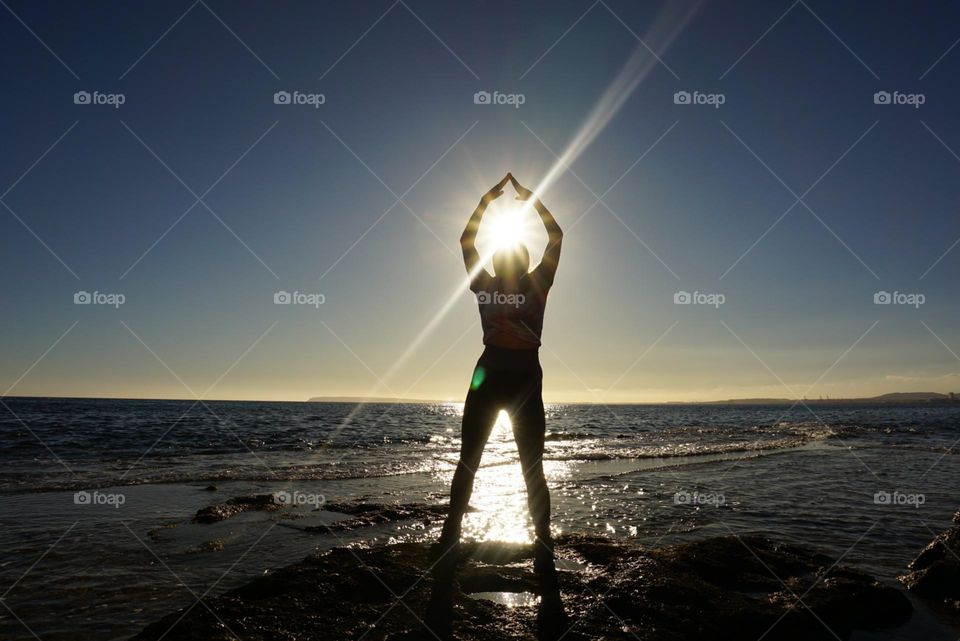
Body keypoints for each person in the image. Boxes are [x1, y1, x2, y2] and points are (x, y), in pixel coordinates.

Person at [435, 172, 563, 573]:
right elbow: (556, 236)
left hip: (498, 375)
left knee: (496, 463)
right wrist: (529, 201)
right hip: (511, 375)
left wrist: (487, 202)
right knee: (489, 462)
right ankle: (456, 536)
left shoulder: (492, 284)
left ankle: (538, 542)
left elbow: (466, 241)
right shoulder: (525, 283)